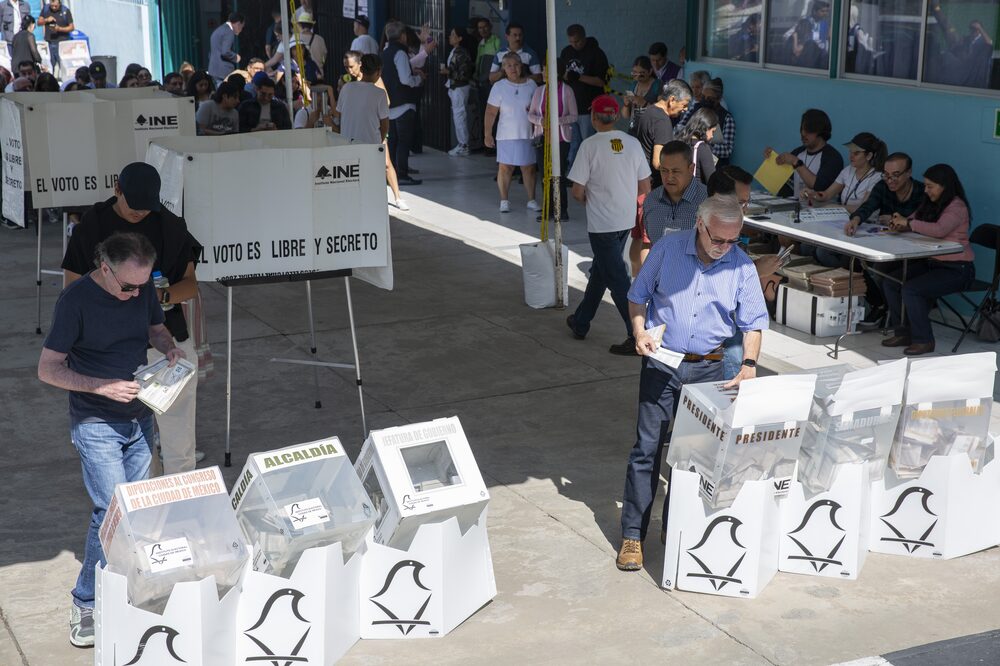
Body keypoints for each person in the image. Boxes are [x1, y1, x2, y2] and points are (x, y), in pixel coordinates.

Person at [41, 232, 185, 648]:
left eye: (141, 287)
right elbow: (48, 369)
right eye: (126, 286)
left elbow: (156, 329)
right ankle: (85, 600)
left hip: (140, 416)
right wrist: (102, 387)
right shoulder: (75, 302)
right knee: (111, 511)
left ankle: (127, 589)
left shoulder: (139, 290)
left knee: (132, 511)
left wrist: (169, 349)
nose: (134, 294)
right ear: (104, 268)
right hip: (95, 420)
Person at [616, 193, 769, 571]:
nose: (724, 248)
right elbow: (637, 298)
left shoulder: (741, 267)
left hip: (707, 371)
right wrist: (639, 331)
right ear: (700, 225)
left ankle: (676, 527)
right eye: (718, 239)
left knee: (692, 457)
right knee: (646, 451)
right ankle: (633, 534)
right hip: (662, 365)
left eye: (733, 240)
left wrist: (749, 363)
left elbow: (753, 323)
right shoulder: (667, 249)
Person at [61, 162, 202, 475]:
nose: (140, 214)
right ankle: (145, 513)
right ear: (117, 189)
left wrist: (158, 297)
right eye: (133, 206)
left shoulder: (168, 224)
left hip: (165, 340)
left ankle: (185, 510)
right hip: (109, 349)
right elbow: (71, 288)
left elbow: (190, 285)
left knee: (179, 437)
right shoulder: (93, 225)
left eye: (146, 207)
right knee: (134, 444)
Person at [566, 94, 651, 353]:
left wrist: (590, 201)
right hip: (625, 220)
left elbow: (577, 191)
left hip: (602, 224)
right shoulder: (633, 143)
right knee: (602, 271)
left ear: (593, 117)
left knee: (617, 279)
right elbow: (645, 185)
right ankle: (581, 322)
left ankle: (636, 333)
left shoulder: (589, 146)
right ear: (615, 117)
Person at [879, 164, 975, 356]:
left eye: (930, 186)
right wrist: (900, 223)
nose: (926, 190)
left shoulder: (957, 206)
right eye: (925, 186)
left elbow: (939, 230)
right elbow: (914, 219)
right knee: (890, 281)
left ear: (944, 186)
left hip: (957, 269)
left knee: (911, 290)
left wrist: (910, 224)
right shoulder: (930, 202)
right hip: (932, 263)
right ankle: (903, 332)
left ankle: (924, 340)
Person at [706, 166, 782, 379]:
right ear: (717, 198)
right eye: (740, 203)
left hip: (734, 332)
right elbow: (713, 281)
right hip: (716, 340)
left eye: (747, 202)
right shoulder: (701, 235)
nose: (745, 209)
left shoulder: (733, 233)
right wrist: (755, 270)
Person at [845, 152, 926, 330]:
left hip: (916, 250)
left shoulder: (921, 192)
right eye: (886, 175)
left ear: (909, 173)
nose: (890, 180)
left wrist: (904, 222)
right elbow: (868, 206)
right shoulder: (882, 187)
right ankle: (882, 305)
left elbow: (924, 221)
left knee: (882, 271)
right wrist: (856, 219)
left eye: (896, 175)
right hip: (887, 244)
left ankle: (892, 313)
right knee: (855, 261)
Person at [484, 51, 539, 213]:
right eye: (509, 66)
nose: (513, 69)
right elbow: (490, 112)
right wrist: (487, 134)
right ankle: (504, 200)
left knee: (528, 168)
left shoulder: (531, 85)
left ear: (521, 66)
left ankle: (531, 199)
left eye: (516, 65)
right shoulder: (499, 86)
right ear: (503, 69)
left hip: (527, 133)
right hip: (505, 134)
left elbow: (539, 109)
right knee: (505, 167)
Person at [528, 58, 577, 221]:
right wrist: (541, 121)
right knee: (545, 175)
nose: (542, 73)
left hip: (561, 139)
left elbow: (574, 116)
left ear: (555, 73)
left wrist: (556, 121)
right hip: (542, 139)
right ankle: (548, 209)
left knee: (559, 175)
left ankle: (562, 210)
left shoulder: (567, 90)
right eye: (543, 70)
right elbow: (531, 114)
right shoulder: (539, 91)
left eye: (545, 70)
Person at [381, 19, 425, 186]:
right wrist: (418, 78)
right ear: (403, 36)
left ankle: (390, 173)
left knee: (392, 141)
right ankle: (402, 174)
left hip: (389, 104)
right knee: (404, 141)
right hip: (404, 104)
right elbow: (406, 79)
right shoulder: (400, 53)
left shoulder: (384, 52)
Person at [764, 108, 843, 198]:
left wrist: (796, 162)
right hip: (795, 207)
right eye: (802, 128)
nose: (803, 133)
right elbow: (782, 183)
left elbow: (819, 187)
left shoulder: (833, 157)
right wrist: (772, 161)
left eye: (809, 130)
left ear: (821, 132)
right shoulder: (798, 152)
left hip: (820, 209)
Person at [560, 24, 609, 165]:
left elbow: (601, 82)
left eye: (577, 41)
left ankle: (592, 171)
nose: (574, 45)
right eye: (571, 42)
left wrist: (579, 77)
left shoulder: (597, 53)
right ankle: (573, 172)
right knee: (573, 143)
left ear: (584, 37)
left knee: (589, 143)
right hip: (570, 108)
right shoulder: (566, 52)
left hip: (588, 107)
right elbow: (562, 74)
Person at [802, 131, 886, 212]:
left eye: (856, 153)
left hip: (868, 222)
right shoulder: (848, 170)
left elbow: (864, 208)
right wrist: (813, 194)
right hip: (845, 219)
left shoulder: (877, 177)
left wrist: (837, 208)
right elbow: (826, 195)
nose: (851, 156)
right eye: (850, 151)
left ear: (869, 156)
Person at [634, 79, 692, 190]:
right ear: (672, 100)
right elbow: (658, 163)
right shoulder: (662, 121)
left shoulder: (649, 111)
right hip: (653, 184)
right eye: (684, 105)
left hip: (641, 176)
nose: (686, 109)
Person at [335, 54, 389, 145]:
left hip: (347, 145)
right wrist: (378, 142)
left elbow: (340, 116)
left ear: (361, 69)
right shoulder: (380, 93)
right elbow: (385, 126)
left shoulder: (346, 88)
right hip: (371, 145)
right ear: (378, 71)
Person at [441, 26, 474, 156]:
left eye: (453, 35)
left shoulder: (461, 53)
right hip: (455, 87)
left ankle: (464, 144)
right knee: (458, 116)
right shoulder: (456, 51)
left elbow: (463, 73)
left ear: (460, 38)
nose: (450, 36)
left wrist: (448, 72)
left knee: (460, 116)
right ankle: (462, 143)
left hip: (459, 87)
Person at [474, 17, 502, 153]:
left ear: (490, 27)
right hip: (481, 83)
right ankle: (486, 144)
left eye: (485, 26)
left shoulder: (496, 41)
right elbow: (478, 62)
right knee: (484, 114)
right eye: (480, 28)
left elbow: (499, 62)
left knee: (494, 115)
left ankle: (493, 146)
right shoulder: (481, 43)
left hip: (492, 83)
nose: (483, 30)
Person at [675, 107, 719, 184]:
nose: (712, 136)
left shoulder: (679, 142)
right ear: (705, 127)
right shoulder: (702, 148)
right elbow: (712, 180)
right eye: (712, 131)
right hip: (696, 193)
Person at [621, 56, 662, 133]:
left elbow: (663, 111)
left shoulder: (657, 85)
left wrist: (644, 103)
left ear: (650, 71)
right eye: (634, 73)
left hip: (651, 131)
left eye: (641, 73)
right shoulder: (633, 85)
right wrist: (626, 105)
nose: (637, 76)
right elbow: (625, 116)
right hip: (634, 130)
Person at [208, 12, 245, 85]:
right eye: (242, 27)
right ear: (238, 24)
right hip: (223, 72)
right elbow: (225, 52)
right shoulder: (229, 32)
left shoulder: (219, 30)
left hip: (213, 70)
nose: (241, 30)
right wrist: (236, 57)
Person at [38, 0, 73, 75]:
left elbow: (71, 27)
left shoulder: (65, 11)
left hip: (62, 43)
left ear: (59, 3)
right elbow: (39, 22)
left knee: (64, 65)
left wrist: (59, 29)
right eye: (52, 5)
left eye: (56, 6)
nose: (54, 7)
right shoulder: (46, 9)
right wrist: (46, 20)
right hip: (49, 43)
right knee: (49, 66)